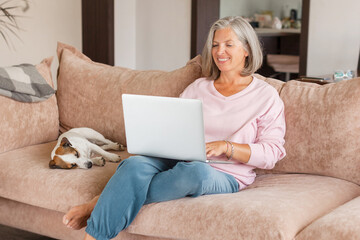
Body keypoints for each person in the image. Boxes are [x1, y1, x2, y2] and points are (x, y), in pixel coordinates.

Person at [63, 16, 286, 240]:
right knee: (133, 165)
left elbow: (271, 153)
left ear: (247, 49)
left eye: (229, 44)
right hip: (179, 157)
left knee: (195, 173)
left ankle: (98, 204)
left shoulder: (265, 96)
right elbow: (174, 126)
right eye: (216, 45)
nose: (220, 52)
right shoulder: (198, 88)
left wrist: (227, 147)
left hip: (223, 173)